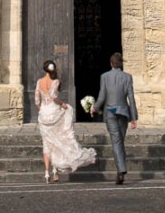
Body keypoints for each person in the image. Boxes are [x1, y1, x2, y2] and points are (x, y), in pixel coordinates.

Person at [35, 59, 96, 182]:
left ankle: (48, 173)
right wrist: (63, 104)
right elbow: (53, 97)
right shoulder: (56, 81)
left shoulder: (39, 82)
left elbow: (37, 100)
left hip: (43, 114)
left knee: (47, 144)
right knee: (57, 139)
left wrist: (41, 110)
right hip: (54, 113)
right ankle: (55, 170)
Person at [91, 52, 138, 185]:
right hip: (123, 112)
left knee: (117, 141)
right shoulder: (128, 77)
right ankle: (120, 171)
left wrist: (94, 107)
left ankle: (121, 170)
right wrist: (134, 117)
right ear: (121, 63)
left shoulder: (104, 76)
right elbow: (131, 98)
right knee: (119, 141)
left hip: (110, 111)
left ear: (111, 63)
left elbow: (102, 96)